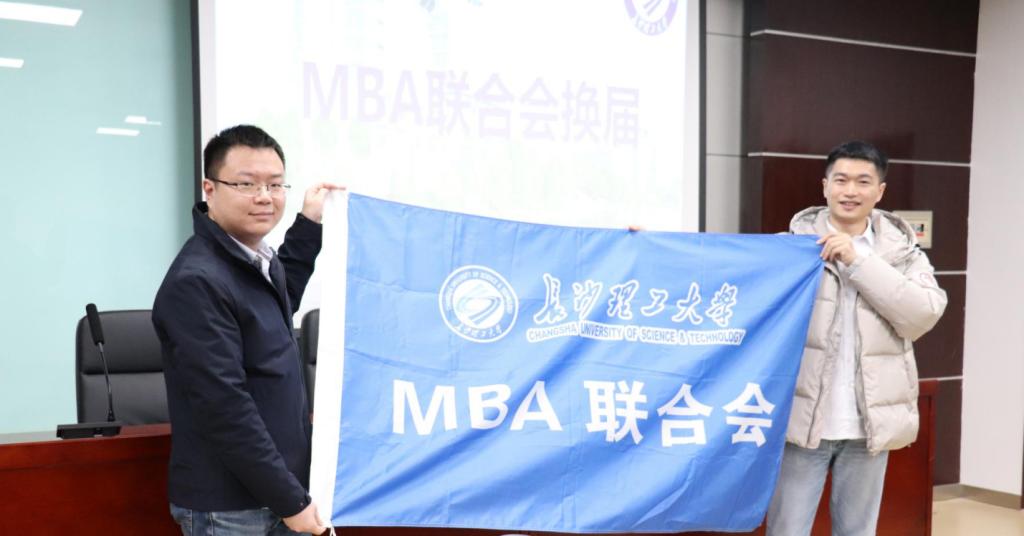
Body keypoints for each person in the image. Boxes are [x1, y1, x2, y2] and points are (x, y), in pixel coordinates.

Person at [153, 125, 342, 535]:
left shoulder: (253, 259)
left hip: (279, 490)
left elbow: (280, 299)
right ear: (210, 188)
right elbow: (225, 409)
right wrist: (290, 501)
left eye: (274, 184)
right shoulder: (197, 281)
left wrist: (310, 223)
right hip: (232, 507)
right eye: (246, 184)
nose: (264, 197)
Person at [766, 141, 947, 535]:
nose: (850, 191)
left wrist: (858, 261)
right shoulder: (789, 247)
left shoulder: (903, 253)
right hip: (802, 423)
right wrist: (645, 245)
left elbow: (923, 314)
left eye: (863, 182)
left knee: (857, 531)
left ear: (879, 191)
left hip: (869, 427)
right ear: (825, 186)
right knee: (787, 529)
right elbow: (726, 276)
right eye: (841, 180)